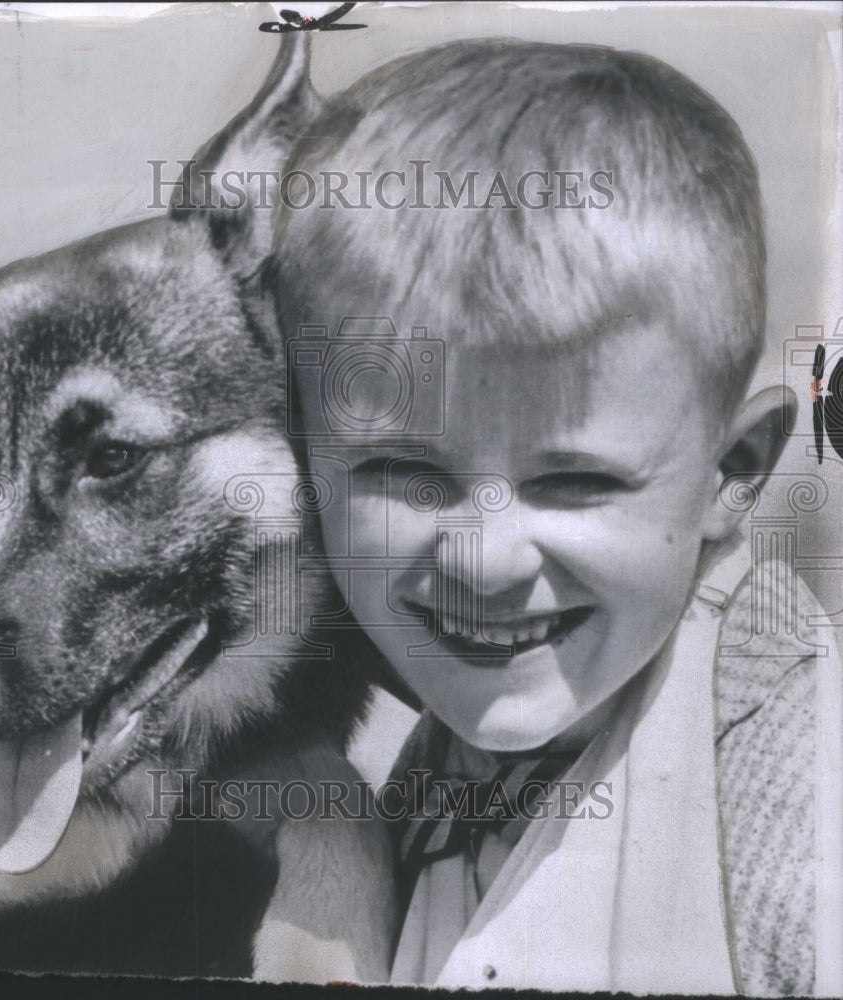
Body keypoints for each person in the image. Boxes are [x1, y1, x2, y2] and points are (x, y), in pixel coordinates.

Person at [272, 39, 841, 995]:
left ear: (731, 473)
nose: (484, 561)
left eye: (574, 482)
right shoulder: (406, 779)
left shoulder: (805, 810)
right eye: (403, 469)